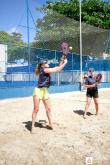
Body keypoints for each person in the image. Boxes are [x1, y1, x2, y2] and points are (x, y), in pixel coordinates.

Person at [31, 58, 67, 133]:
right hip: (38, 91)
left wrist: (61, 61)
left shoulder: (47, 70)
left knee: (48, 109)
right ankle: (32, 127)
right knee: (36, 109)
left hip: (45, 91)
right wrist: (65, 63)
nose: (48, 62)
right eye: (46, 62)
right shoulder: (44, 70)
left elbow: (56, 68)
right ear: (42, 65)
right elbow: (57, 70)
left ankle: (50, 124)